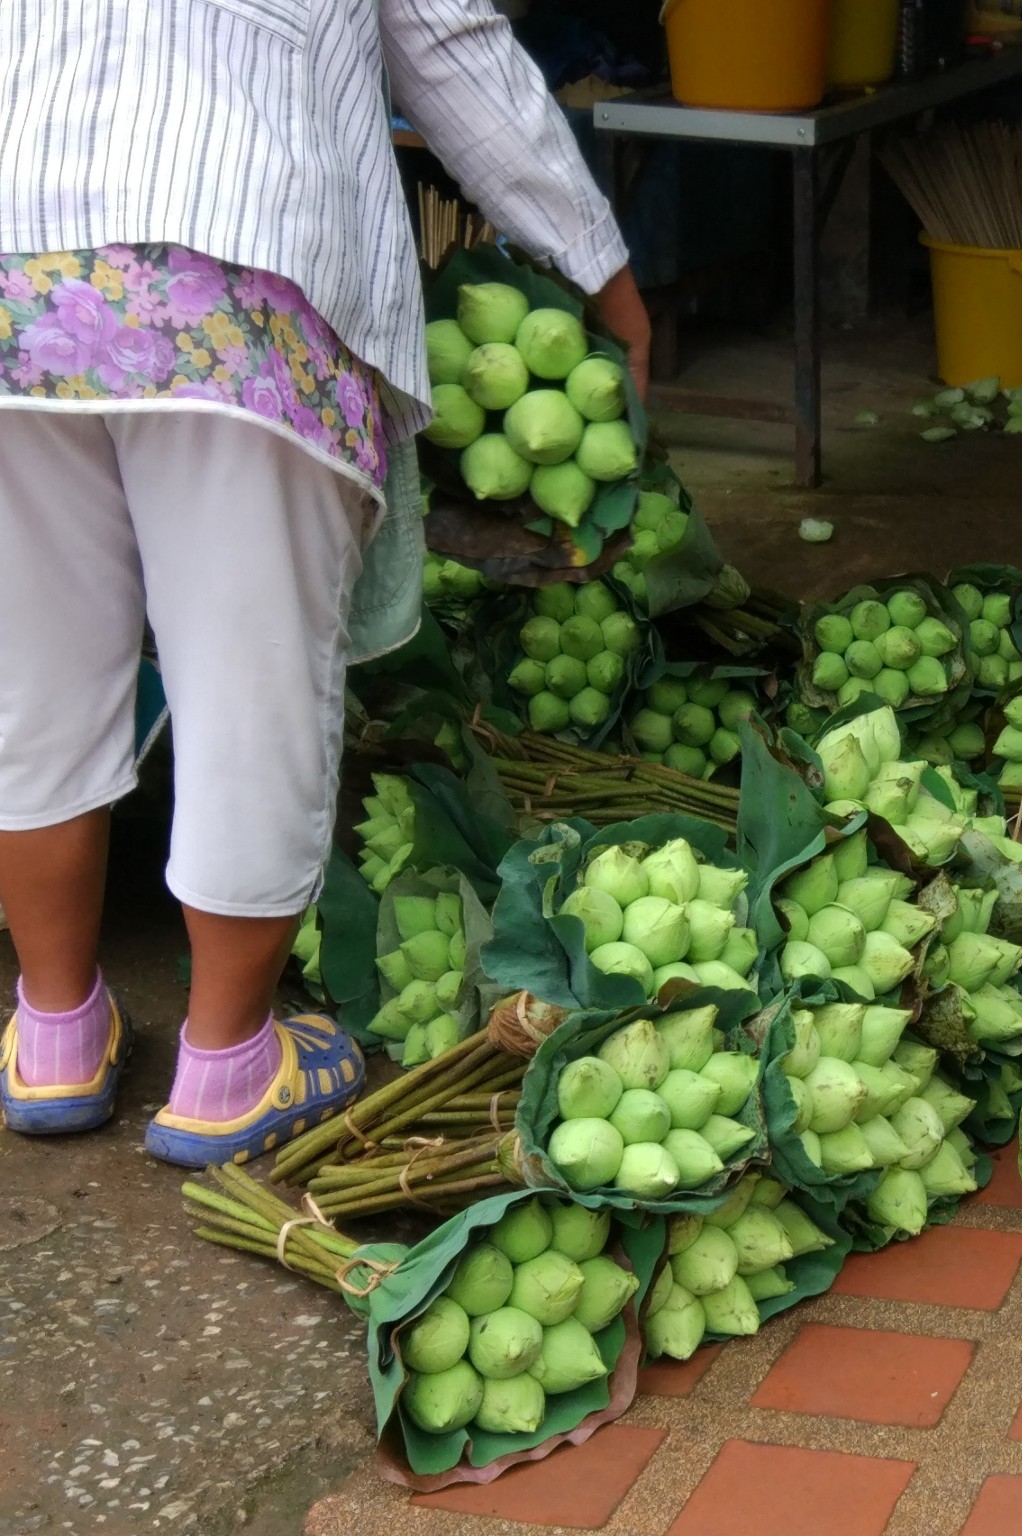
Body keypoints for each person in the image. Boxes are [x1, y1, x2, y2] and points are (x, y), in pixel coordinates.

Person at [0, 0, 650, 1165]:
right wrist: (598, 270)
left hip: (14, 268)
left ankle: (52, 1033)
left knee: (30, 675)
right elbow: (449, 48)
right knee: (245, 684)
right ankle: (229, 1062)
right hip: (233, 268)